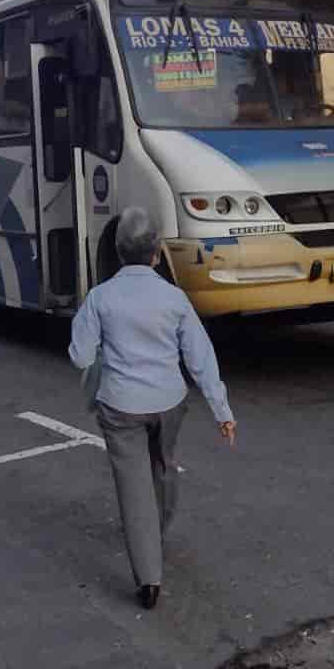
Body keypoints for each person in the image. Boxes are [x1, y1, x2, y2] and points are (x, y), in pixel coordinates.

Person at [68, 207, 236, 610]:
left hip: (120, 405)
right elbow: (200, 357)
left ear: (117, 252)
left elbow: (79, 355)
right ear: (158, 253)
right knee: (163, 465)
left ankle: (149, 580)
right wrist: (222, 411)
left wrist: (104, 352)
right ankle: (156, 529)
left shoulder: (100, 298)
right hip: (169, 402)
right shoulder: (174, 298)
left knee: (134, 487)